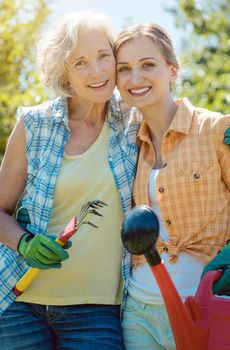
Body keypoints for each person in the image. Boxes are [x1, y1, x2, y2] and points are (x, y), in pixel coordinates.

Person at [0, 11, 141, 350]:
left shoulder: (136, 119)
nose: (97, 71)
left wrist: (217, 130)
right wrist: (24, 243)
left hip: (97, 310)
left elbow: (184, 119)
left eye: (103, 56)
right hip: (19, 303)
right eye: (80, 62)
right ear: (64, 72)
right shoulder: (35, 124)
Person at [115, 23, 230, 349]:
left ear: (172, 70)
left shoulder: (216, 130)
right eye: (124, 69)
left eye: (148, 65)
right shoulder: (129, 144)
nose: (135, 78)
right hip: (139, 312)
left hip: (205, 309)